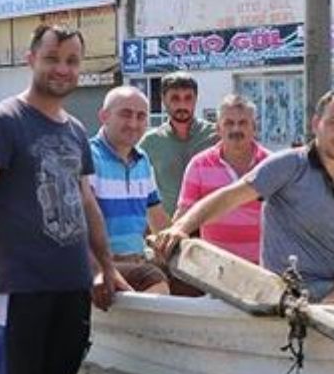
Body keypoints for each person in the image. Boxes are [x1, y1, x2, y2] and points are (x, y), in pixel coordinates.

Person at [0, 25, 127, 374]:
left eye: (71, 61)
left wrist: (106, 266)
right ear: (31, 60)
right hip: (22, 286)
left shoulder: (77, 131)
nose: (62, 69)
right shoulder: (2, 122)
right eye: (52, 59)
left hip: (73, 285)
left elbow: (86, 203)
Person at [153, 90, 334, 306]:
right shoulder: (288, 165)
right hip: (286, 292)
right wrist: (180, 228)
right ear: (317, 124)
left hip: (331, 287)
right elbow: (228, 196)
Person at [89, 86, 170, 293]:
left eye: (141, 116)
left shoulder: (142, 160)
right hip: (99, 264)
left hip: (137, 259)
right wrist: (102, 269)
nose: (133, 123)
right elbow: (78, 225)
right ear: (104, 116)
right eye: (125, 114)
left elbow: (158, 218)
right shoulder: (88, 157)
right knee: (154, 279)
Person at [176, 93, 270, 264]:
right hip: (213, 270)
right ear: (218, 129)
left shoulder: (271, 165)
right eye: (229, 123)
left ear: (254, 127)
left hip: (262, 269)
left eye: (242, 123)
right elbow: (184, 214)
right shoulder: (199, 165)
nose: (236, 129)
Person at [138, 71, 218, 215]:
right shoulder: (151, 141)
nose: (182, 104)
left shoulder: (216, 136)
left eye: (188, 98)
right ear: (163, 100)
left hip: (210, 225)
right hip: (170, 228)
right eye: (175, 98)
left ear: (196, 99)